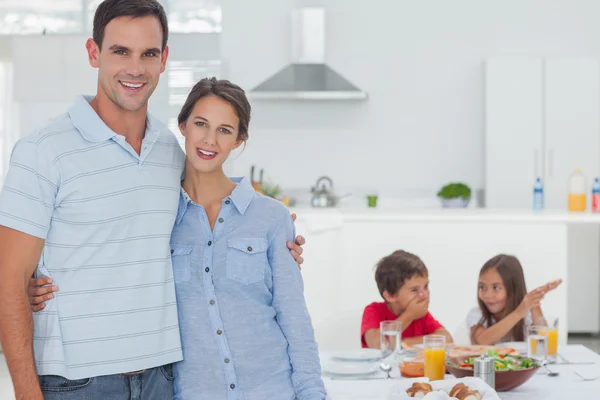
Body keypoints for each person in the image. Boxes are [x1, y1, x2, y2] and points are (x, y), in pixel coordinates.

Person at [0, 1, 305, 399]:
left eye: (148, 53)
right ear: (94, 53)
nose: (135, 68)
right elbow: (9, 282)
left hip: (163, 377)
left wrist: (273, 237)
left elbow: (210, 212)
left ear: (163, 60)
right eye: (120, 51)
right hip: (78, 384)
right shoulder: (41, 151)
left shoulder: (169, 151)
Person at [361, 250, 453, 349]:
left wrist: (403, 343)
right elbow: (377, 345)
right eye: (414, 290)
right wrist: (409, 316)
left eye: (426, 286)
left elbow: (447, 338)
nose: (424, 295)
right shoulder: (373, 310)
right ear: (390, 296)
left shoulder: (420, 314)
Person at [467, 254, 562, 345]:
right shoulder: (477, 314)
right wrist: (519, 312)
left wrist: (534, 301)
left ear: (513, 289)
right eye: (482, 287)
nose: (487, 295)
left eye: (495, 288)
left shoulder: (527, 316)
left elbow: (544, 344)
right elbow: (482, 341)